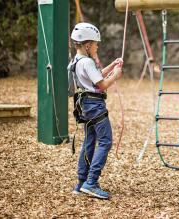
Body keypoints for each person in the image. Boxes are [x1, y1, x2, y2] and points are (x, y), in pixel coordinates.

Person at [68, 22, 123, 199]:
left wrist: (112, 66)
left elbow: (96, 76)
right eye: (96, 43)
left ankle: (81, 183)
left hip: (85, 106)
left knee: (89, 142)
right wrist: (116, 75)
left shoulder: (77, 60)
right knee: (105, 142)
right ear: (87, 45)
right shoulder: (87, 62)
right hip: (95, 105)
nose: (97, 46)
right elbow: (102, 84)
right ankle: (91, 182)